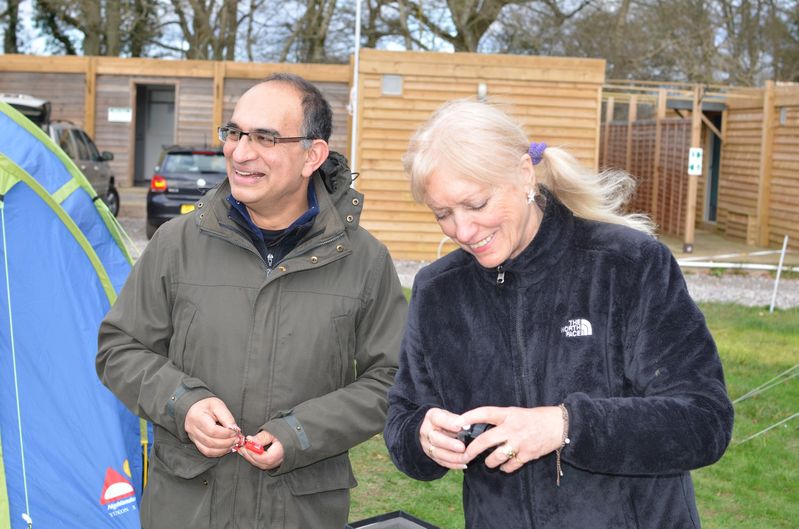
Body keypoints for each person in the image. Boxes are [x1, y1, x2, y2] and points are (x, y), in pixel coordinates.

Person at [384, 100, 734, 528]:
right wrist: (422, 437)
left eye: (475, 205)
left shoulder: (626, 264)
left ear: (524, 174)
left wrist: (565, 426)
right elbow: (402, 421)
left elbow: (704, 421)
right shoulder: (438, 291)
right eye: (443, 214)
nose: (462, 231)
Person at [97, 73, 407, 529]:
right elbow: (118, 349)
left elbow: (393, 379)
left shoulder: (365, 260)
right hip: (186, 509)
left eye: (265, 138)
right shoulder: (175, 243)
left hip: (300, 512)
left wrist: (301, 433)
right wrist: (183, 403)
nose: (240, 152)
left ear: (312, 155)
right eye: (235, 132)